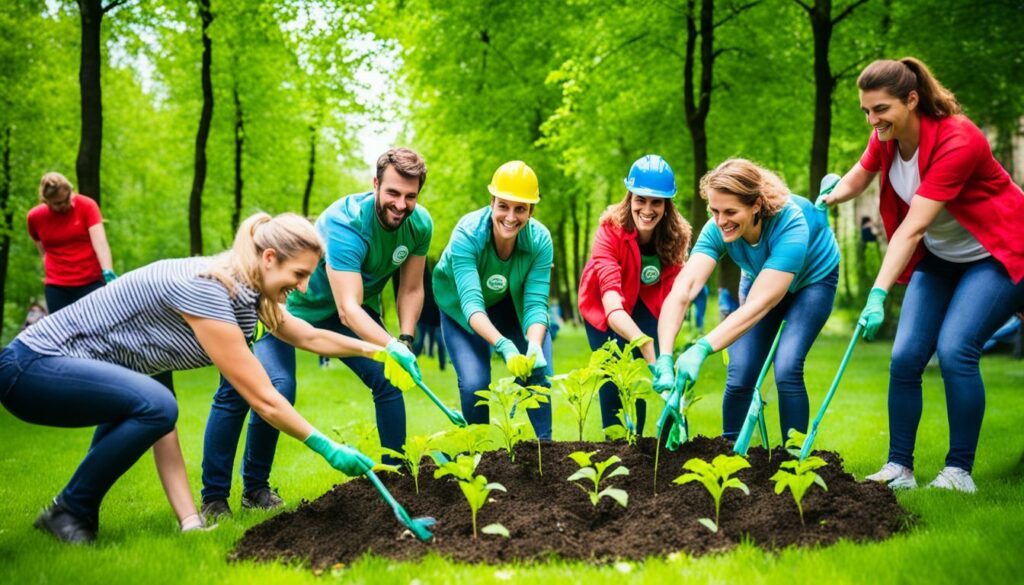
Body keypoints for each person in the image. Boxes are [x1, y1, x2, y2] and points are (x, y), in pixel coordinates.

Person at [0, 213, 395, 544]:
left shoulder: (243, 291)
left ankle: (72, 512)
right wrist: (328, 448)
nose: (304, 287)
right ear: (270, 257)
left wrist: (380, 349)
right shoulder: (209, 288)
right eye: (299, 274)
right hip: (33, 366)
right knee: (156, 403)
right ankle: (70, 508)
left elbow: (306, 335)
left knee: (154, 406)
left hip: (65, 369)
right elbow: (264, 398)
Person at [817, 58, 1024, 493]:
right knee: (905, 357)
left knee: (955, 350)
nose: (873, 120)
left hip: (995, 253)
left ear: (912, 100)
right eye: (866, 112)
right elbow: (860, 175)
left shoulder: (957, 138)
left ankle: (959, 472)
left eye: (881, 110)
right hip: (942, 258)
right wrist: (830, 196)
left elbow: (913, 227)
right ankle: (900, 468)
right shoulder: (886, 136)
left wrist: (877, 293)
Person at [200, 149, 431, 518]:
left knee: (390, 378)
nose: (401, 205)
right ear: (375, 185)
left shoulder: (420, 225)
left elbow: (411, 289)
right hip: (287, 308)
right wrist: (386, 344)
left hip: (349, 310)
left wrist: (402, 341)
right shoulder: (346, 223)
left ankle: (396, 477)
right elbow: (348, 309)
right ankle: (225, 494)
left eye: (410, 196)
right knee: (266, 387)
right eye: (393, 193)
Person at [656, 158, 841, 443]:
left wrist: (702, 348)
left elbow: (760, 305)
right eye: (714, 211)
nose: (721, 221)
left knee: (788, 365)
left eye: (730, 212)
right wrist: (666, 357)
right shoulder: (717, 228)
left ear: (756, 204)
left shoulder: (790, 223)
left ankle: (793, 463)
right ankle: (730, 454)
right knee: (741, 370)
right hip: (759, 274)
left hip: (813, 280)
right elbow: (684, 289)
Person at [433, 160, 554, 437]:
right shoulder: (467, 234)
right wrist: (504, 346)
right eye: (503, 206)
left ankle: (545, 451)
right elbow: (472, 304)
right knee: (475, 383)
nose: (510, 216)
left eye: (520, 208)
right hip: (462, 313)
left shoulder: (540, 240)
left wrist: (533, 345)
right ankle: (480, 456)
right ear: (492, 202)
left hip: (510, 307)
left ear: (531, 211)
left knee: (538, 373)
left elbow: (536, 303)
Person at [578, 155, 692, 434]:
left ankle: (667, 438)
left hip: (648, 305)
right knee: (614, 372)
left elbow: (674, 304)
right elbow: (613, 305)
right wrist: (648, 348)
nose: (648, 209)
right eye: (641, 199)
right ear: (630, 198)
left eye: (657, 202)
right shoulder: (609, 231)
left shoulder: (676, 238)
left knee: (655, 373)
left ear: (667, 205)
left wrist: (663, 359)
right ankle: (619, 444)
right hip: (606, 309)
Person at [27, 172, 118, 313]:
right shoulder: (35, 217)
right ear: (45, 201)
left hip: (91, 281)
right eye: (57, 203)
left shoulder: (87, 206)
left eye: (67, 199)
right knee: (61, 332)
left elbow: (100, 242)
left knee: (95, 328)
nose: (64, 205)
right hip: (57, 286)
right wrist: (51, 268)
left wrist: (108, 271)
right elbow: (43, 250)